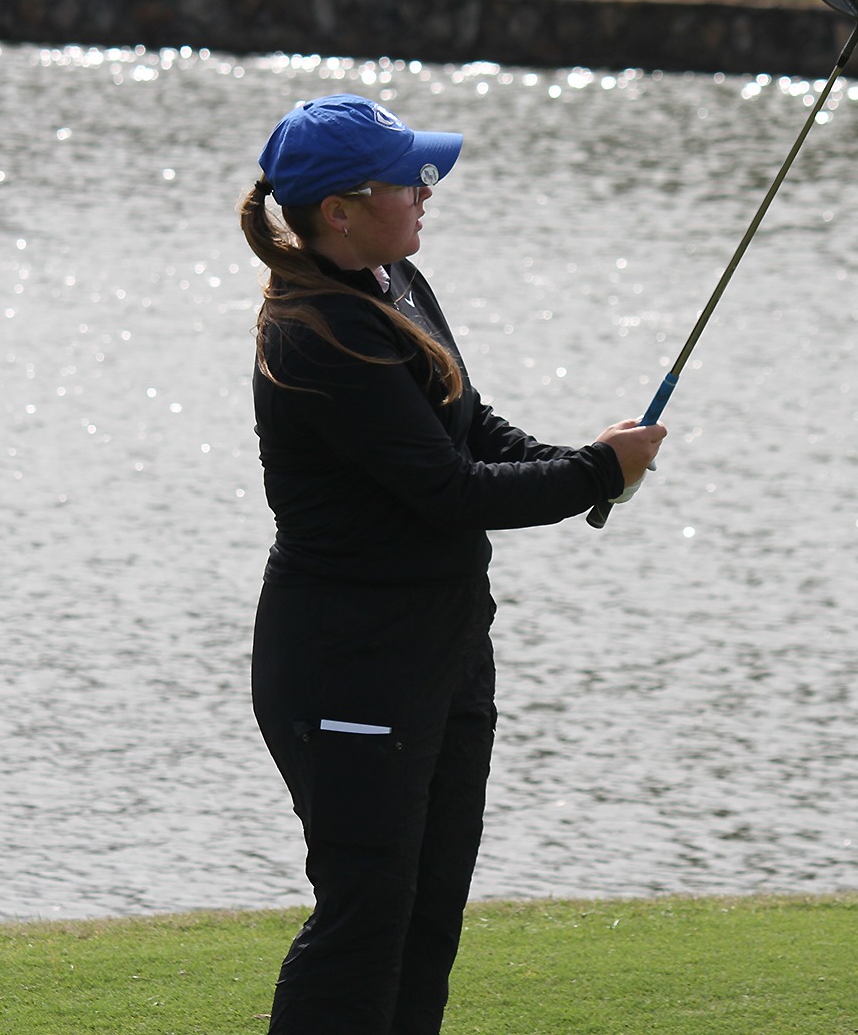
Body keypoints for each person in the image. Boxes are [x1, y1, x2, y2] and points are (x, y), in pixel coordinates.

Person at [239, 93, 666, 1034]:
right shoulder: (314, 336)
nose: (431, 193)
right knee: (366, 916)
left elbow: (468, 425)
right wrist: (595, 472)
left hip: (440, 653)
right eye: (412, 180)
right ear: (340, 210)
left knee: (428, 913)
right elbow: (450, 492)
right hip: (349, 667)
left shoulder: (393, 284)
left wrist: (580, 466)